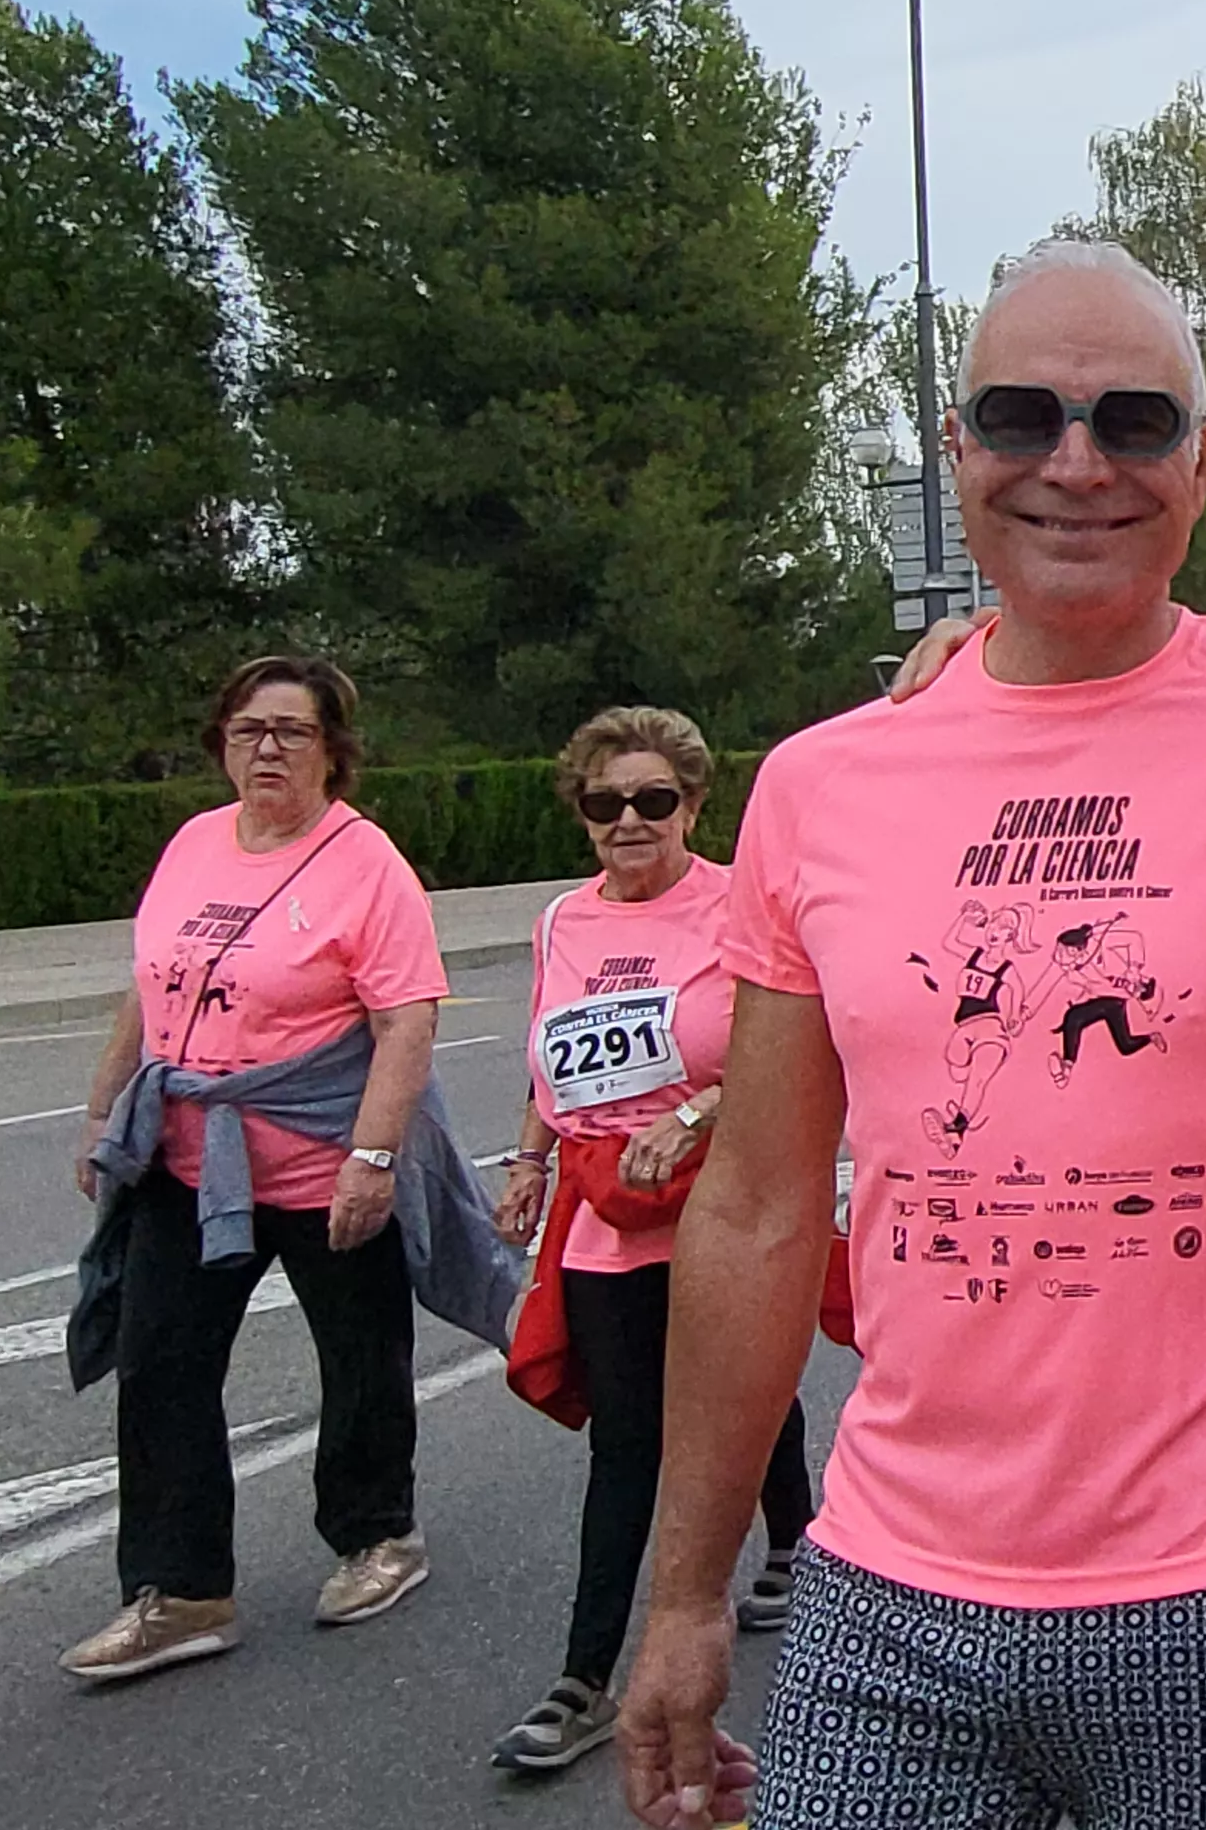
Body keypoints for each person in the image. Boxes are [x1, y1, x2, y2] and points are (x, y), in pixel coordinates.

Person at [619, 240, 1206, 1830]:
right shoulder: (821, 786)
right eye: (1023, 418)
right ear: (957, 449)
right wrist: (683, 1597)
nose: (1078, 465)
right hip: (889, 1584)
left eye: (1134, 422)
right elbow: (753, 1206)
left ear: (1203, 463)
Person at [61, 655, 519, 1682]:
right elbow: (150, 987)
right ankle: (182, 1590)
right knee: (160, 1362)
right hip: (189, 1162)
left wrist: (373, 1157)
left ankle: (376, 1534)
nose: (267, 748)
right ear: (222, 743)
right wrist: (103, 1111)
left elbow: (406, 1020)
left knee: (359, 1360)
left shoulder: (365, 863)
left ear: (331, 750)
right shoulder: (194, 843)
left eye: (291, 731)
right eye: (248, 730)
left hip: (322, 1154)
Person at [487, 707, 820, 1774]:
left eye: (652, 799)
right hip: (603, 1213)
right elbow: (552, 1060)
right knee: (628, 1443)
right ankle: (584, 1678)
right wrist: (529, 1162)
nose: (627, 820)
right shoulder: (561, 922)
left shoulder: (736, 903)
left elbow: (785, 1047)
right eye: (604, 802)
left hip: (718, 1197)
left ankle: (794, 1538)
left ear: (692, 804)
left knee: (745, 1391)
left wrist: (694, 1114)